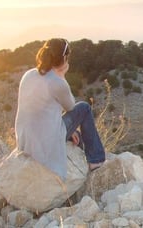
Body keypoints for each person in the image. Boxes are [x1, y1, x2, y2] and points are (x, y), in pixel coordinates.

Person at [15, 38, 105, 181]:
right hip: (46, 142)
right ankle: (96, 160)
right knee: (84, 108)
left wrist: (70, 130)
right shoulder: (56, 82)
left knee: (77, 136)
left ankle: (75, 143)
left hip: (25, 140)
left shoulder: (28, 74)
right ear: (64, 59)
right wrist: (61, 76)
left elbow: (42, 112)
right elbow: (70, 106)